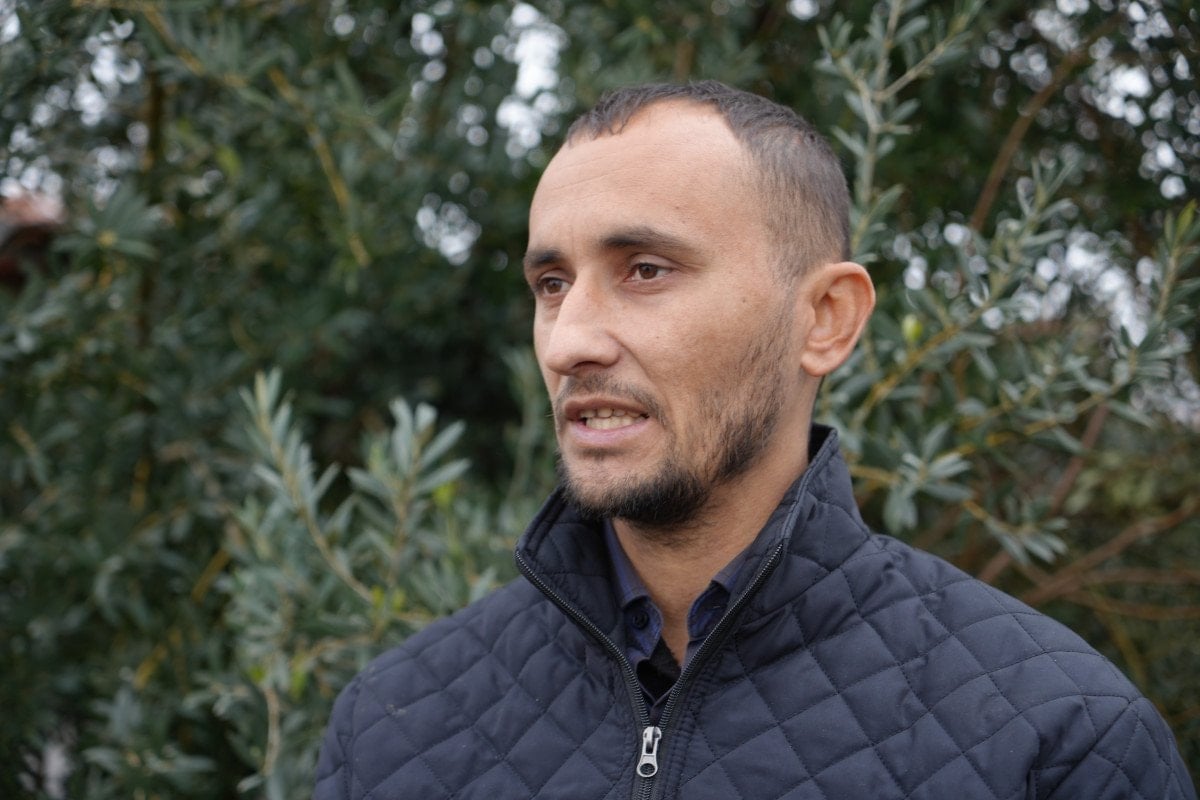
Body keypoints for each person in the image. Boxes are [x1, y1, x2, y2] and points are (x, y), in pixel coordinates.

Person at [314, 81, 1195, 799]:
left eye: (645, 270)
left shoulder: (1057, 738)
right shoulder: (394, 728)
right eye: (552, 283)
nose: (567, 341)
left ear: (826, 319)